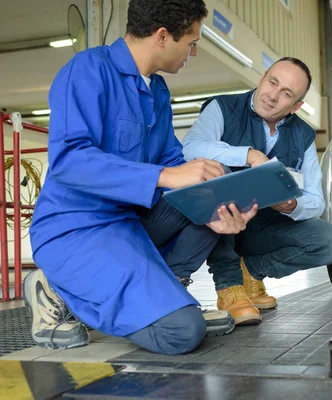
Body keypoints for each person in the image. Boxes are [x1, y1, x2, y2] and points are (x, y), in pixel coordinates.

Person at [24, 0, 257, 355]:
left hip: (128, 223)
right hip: (76, 229)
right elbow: (70, 161)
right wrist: (167, 174)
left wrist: (219, 208)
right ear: (163, 36)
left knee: (210, 197)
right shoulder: (88, 70)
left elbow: (171, 161)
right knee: (182, 333)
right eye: (191, 43)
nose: (192, 53)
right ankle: (55, 286)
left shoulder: (157, 92)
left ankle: (168, 295)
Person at [182, 57, 332, 325]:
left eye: (286, 94)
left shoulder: (303, 135)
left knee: (330, 242)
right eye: (272, 82)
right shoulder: (222, 107)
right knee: (217, 171)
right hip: (219, 224)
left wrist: (293, 205)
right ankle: (229, 288)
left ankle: (251, 272)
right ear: (261, 78)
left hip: (264, 229)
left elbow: (316, 201)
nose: (272, 96)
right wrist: (249, 155)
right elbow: (189, 148)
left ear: (296, 106)